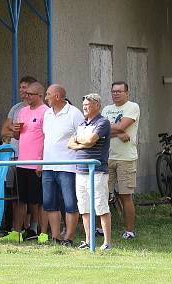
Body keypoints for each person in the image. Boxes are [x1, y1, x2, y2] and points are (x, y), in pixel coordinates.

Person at [68, 93, 112, 250]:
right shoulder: (82, 123)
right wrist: (82, 145)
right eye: (84, 105)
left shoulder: (103, 122)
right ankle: (88, 241)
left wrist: (82, 142)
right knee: (84, 207)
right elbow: (70, 143)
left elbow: (90, 140)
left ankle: (106, 242)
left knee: (101, 206)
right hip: (80, 171)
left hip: (97, 171)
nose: (84, 108)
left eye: (87, 105)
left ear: (97, 106)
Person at [41, 84, 84, 246]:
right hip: (48, 166)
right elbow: (46, 139)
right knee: (50, 203)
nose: (46, 98)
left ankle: (69, 238)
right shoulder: (47, 114)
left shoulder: (74, 113)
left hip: (68, 166)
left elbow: (83, 138)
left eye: (48, 95)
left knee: (70, 203)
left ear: (58, 96)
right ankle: (56, 236)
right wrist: (41, 162)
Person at [10, 81, 49, 241]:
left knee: (37, 201)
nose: (27, 96)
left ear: (40, 95)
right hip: (21, 162)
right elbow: (17, 136)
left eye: (30, 94)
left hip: (36, 163)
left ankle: (42, 233)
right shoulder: (23, 111)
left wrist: (41, 161)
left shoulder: (46, 112)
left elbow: (47, 138)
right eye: (26, 94)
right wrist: (15, 131)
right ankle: (17, 232)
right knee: (20, 200)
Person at [102, 81, 140, 240]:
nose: (116, 94)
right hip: (107, 157)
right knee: (102, 195)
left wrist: (112, 129)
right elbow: (100, 131)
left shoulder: (132, 107)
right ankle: (99, 228)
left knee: (126, 195)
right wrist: (118, 132)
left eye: (119, 91)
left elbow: (122, 125)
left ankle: (129, 231)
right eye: (113, 91)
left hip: (126, 158)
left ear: (127, 93)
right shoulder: (106, 109)